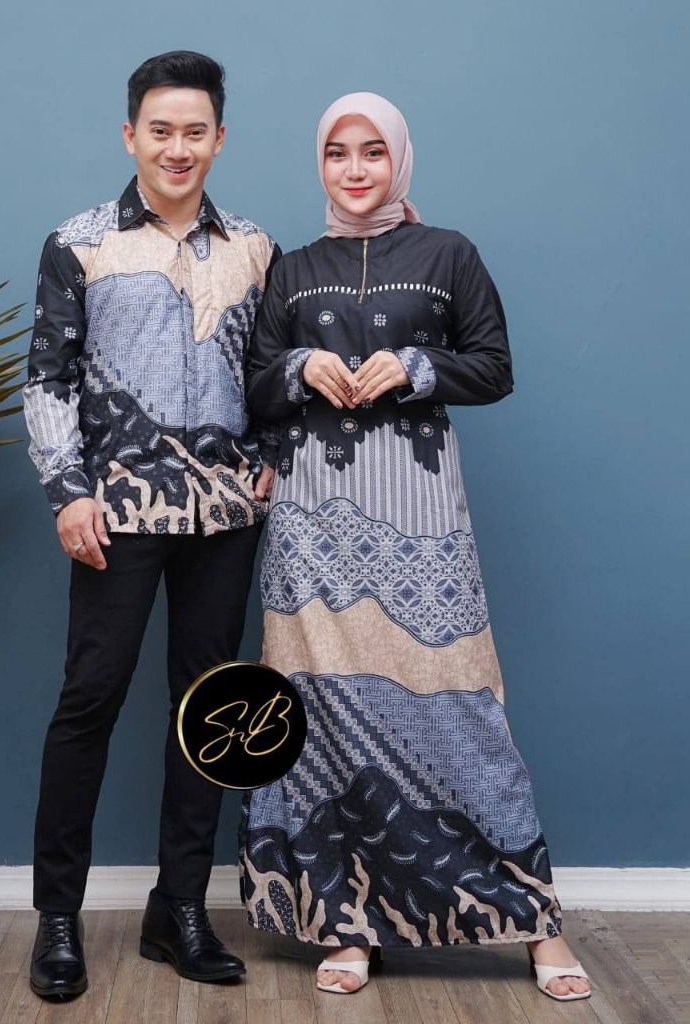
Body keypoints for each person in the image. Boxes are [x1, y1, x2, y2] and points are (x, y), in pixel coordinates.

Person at [239, 92, 591, 1002]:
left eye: (373, 152)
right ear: (319, 164)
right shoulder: (293, 268)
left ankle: (533, 922)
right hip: (312, 522)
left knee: (461, 702)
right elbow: (252, 382)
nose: (355, 170)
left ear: (399, 159)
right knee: (319, 712)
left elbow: (496, 366)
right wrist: (298, 368)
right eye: (337, 153)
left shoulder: (448, 254)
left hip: (422, 514)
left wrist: (417, 366)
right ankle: (346, 923)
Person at [23, 51, 279, 1001]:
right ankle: (57, 918)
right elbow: (48, 376)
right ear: (130, 135)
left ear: (220, 139)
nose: (178, 148)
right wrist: (67, 490)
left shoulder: (254, 247)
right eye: (160, 130)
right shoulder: (79, 243)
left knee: (211, 711)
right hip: (116, 512)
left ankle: (180, 910)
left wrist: (270, 451)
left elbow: (271, 370)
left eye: (195, 131)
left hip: (225, 515)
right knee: (89, 700)